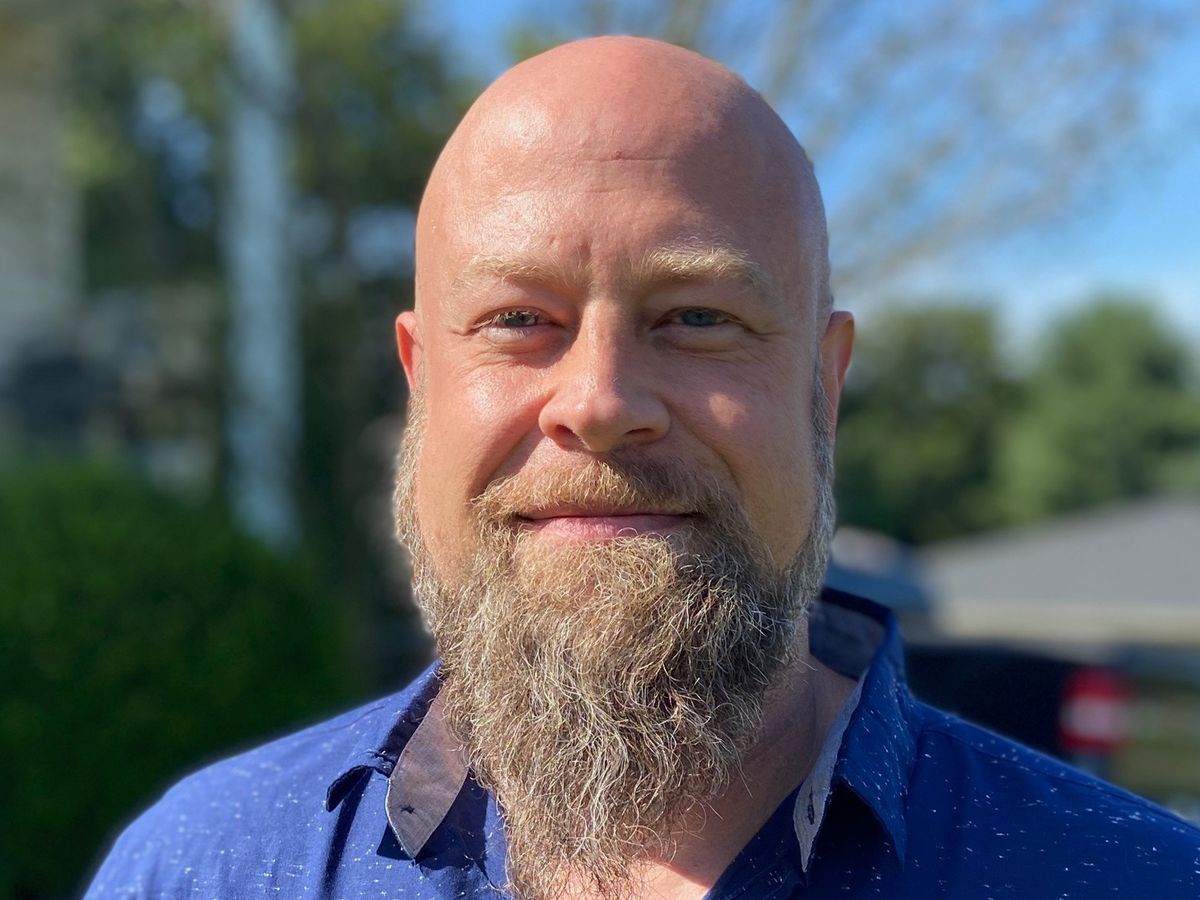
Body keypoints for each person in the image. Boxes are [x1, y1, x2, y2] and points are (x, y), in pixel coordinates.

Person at [86, 36, 1200, 900]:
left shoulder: (1133, 879)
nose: (601, 402)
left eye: (698, 317)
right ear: (421, 383)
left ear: (823, 386)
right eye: (519, 318)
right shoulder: (204, 868)